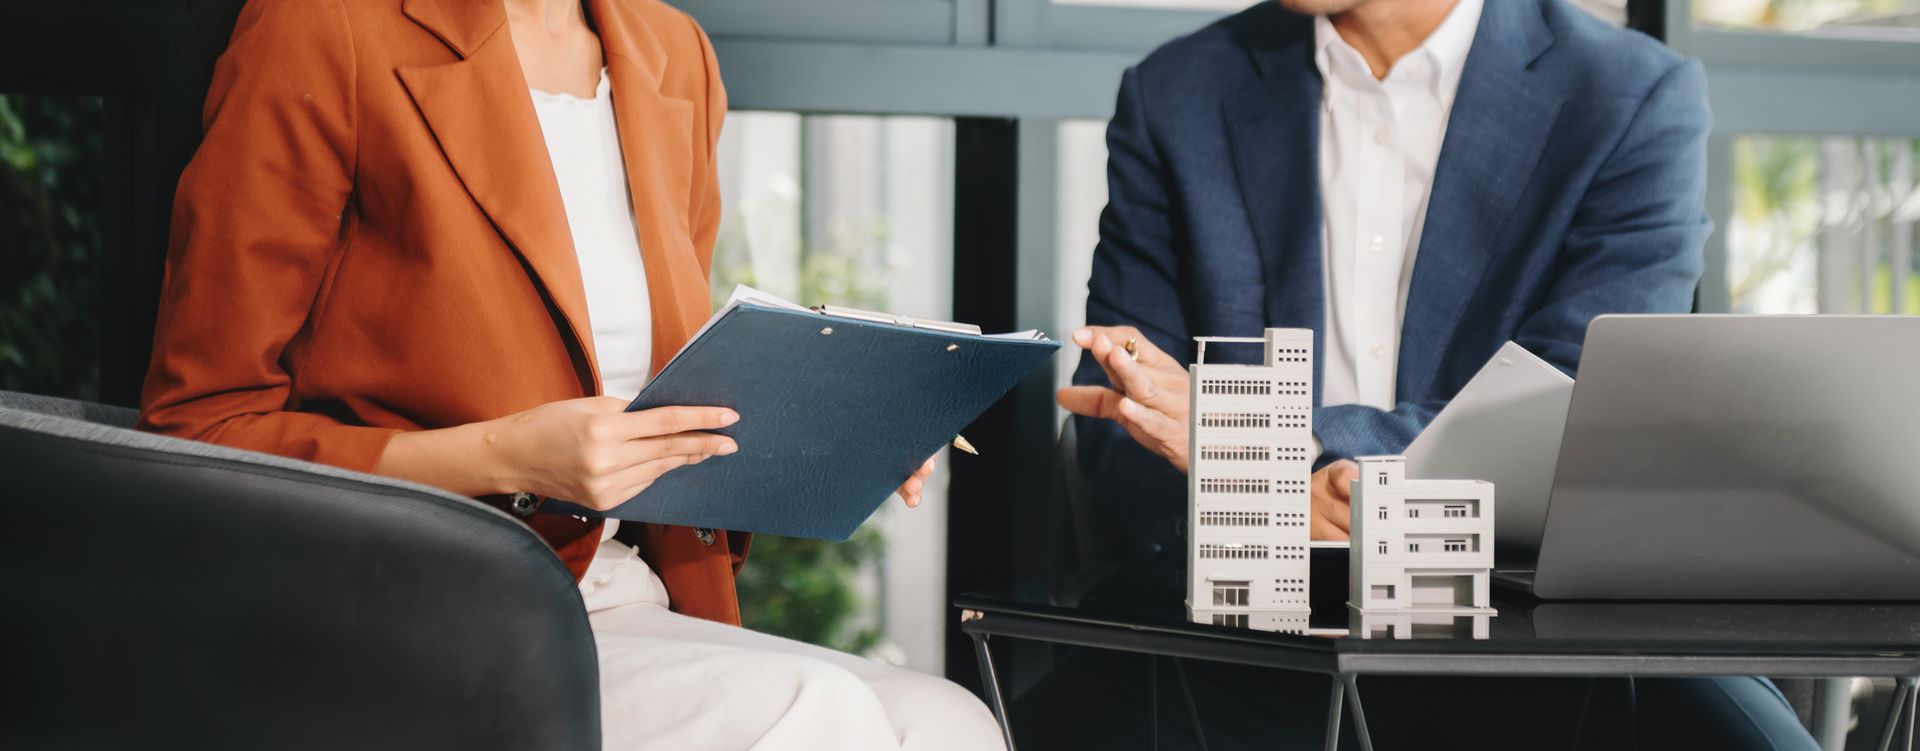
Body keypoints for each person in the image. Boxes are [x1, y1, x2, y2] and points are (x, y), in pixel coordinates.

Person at [136, 1, 1003, 749]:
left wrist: (835, 429)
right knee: (820, 714)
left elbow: (670, 401)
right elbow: (201, 427)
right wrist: (509, 457)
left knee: (947, 721)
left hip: (618, 594)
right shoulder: (327, 25)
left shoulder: (672, 51)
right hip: (409, 602)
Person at [1052, 0, 1818, 748]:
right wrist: (1272, 500)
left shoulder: (1628, 95)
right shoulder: (1179, 90)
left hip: (1531, 628)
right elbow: (1120, 417)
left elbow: (1578, 406)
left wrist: (1277, 452)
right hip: (1258, 630)